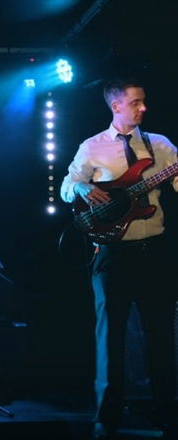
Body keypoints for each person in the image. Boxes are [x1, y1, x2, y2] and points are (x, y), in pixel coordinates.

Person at [60, 78, 177, 438]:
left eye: (144, 101)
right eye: (136, 102)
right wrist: (80, 186)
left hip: (154, 252)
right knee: (110, 338)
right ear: (116, 106)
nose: (143, 108)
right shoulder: (92, 147)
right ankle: (106, 417)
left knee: (161, 335)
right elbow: (66, 187)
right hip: (112, 255)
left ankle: (167, 413)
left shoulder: (160, 145)